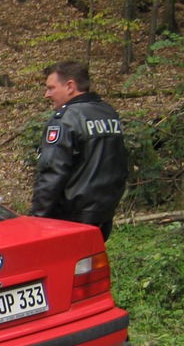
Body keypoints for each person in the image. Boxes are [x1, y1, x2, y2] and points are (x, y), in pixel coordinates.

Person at [30, 61, 128, 241]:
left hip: (70, 219)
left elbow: (52, 173)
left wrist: (36, 219)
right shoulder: (108, 113)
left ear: (70, 86)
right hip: (102, 215)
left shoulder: (65, 120)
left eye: (51, 88)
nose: (47, 94)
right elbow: (119, 165)